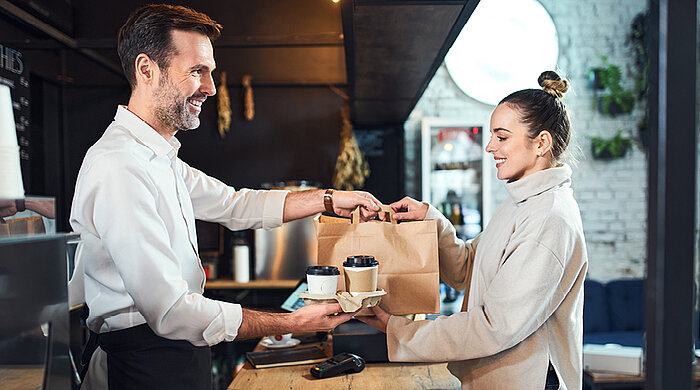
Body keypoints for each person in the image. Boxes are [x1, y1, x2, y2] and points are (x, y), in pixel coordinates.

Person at [68, 5, 381, 389]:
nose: (211, 88)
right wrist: (291, 322)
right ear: (146, 70)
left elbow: (234, 204)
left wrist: (330, 200)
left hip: (177, 356)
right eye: (197, 71)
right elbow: (170, 311)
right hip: (139, 366)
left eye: (210, 72)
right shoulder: (119, 166)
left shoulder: (160, 158)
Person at [360, 71, 588, 389]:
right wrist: (431, 219)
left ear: (542, 143)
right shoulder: (520, 203)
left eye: (502, 137)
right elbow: (469, 270)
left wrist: (397, 328)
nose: (489, 146)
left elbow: (496, 325)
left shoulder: (547, 219)